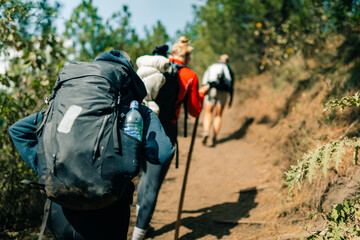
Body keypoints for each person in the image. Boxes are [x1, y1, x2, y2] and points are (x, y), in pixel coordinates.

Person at [8, 49, 175, 240]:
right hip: (106, 211)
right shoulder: (135, 110)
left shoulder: (62, 108)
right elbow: (163, 153)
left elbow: (18, 130)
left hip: (60, 209)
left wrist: (45, 166)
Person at [131, 37, 210, 240]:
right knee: (154, 183)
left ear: (171, 54)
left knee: (145, 177)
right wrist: (201, 95)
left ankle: (141, 227)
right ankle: (138, 235)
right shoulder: (190, 75)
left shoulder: (157, 66)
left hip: (143, 124)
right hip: (166, 129)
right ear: (188, 57)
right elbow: (194, 110)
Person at [201, 54, 234, 147]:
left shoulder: (212, 67)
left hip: (212, 90)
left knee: (208, 113)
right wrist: (231, 99)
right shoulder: (229, 69)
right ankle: (214, 136)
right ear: (227, 61)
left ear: (219, 59)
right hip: (223, 93)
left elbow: (205, 81)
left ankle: (206, 131)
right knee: (218, 115)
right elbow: (231, 85)